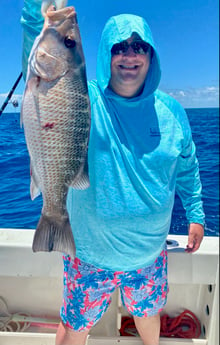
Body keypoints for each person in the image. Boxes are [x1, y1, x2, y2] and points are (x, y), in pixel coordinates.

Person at [21, 1, 205, 344]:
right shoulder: (83, 98)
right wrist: (40, 12)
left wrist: (195, 214)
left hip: (149, 256)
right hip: (87, 256)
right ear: (106, 52)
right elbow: (41, 57)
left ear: (151, 56)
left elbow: (187, 166)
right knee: (75, 326)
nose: (129, 55)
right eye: (120, 47)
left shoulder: (172, 112)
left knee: (148, 316)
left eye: (139, 47)